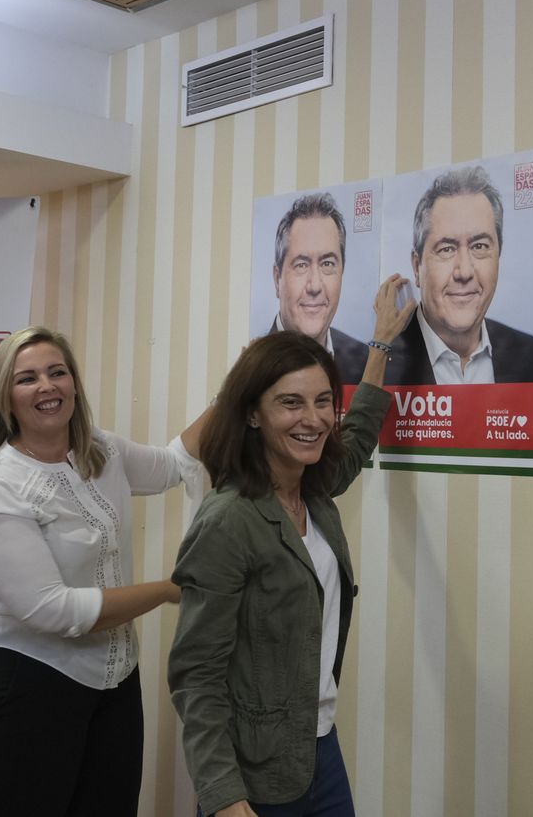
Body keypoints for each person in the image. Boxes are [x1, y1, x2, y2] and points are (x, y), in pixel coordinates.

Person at [169, 274, 416, 817]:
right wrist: (225, 799)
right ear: (253, 414)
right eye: (290, 403)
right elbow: (197, 678)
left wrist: (380, 343)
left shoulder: (315, 492)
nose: (313, 419)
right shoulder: (228, 520)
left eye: (323, 402)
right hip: (254, 777)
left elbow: (357, 438)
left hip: (319, 751)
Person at [0, 326, 208, 816]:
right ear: (6, 398)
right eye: (27, 378)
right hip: (24, 687)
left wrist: (235, 388)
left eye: (57, 372)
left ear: (74, 384)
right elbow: (53, 609)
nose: (47, 386)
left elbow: (176, 463)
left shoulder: (100, 451)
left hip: (114, 685)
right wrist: (167, 590)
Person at [387, 165, 533, 385]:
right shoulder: (382, 364)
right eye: (446, 249)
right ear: (417, 267)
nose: (464, 272)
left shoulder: (531, 356)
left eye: (479, 246)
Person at [269, 193, 369, 385]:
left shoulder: (365, 363)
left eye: (327, 264)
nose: (314, 286)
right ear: (277, 279)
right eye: (301, 265)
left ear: (342, 272)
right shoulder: (252, 366)